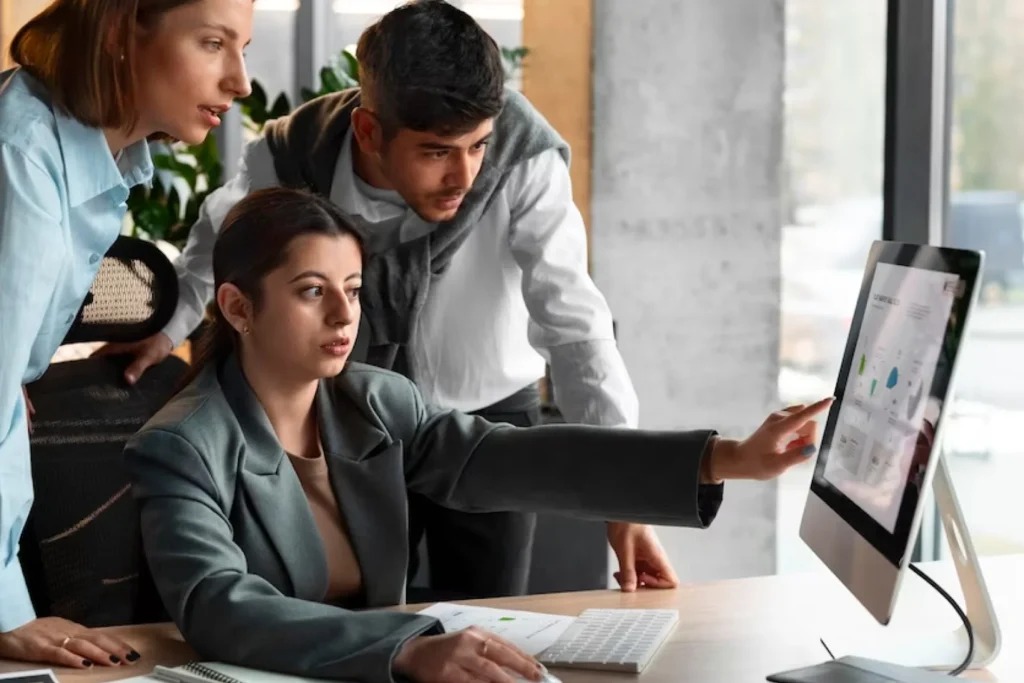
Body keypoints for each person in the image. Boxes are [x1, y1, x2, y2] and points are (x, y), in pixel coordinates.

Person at [124, 187, 833, 683]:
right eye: (313, 290)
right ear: (239, 306)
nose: (345, 313)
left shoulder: (376, 402)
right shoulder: (182, 445)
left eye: (353, 285)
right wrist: (407, 649)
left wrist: (725, 458)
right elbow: (220, 607)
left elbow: (516, 459)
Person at [108, 0, 662, 602]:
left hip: (486, 418)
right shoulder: (291, 154)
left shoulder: (523, 157)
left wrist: (624, 494)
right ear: (369, 131)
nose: (465, 177)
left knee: (492, 616)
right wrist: (166, 333)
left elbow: (574, 322)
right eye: (435, 152)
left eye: (478, 146)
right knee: (358, 607)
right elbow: (220, 248)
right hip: (349, 420)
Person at [0, 0, 253, 668]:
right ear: (121, 31)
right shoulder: (21, 155)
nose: (241, 81)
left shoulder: (80, 147)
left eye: (244, 47)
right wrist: (5, 609)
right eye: (212, 43)